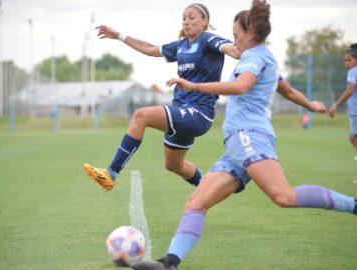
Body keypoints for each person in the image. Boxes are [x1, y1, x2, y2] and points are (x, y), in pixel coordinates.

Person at [131, 1, 357, 269]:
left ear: (250, 33)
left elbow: (240, 86)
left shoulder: (255, 58)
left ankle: (353, 205)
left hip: (250, 137)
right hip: (237, 146)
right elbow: (287, 90)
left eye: (236, 33)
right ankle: (169, 263)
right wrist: (311, 105)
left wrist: (193, 85)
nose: (234, 38)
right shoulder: (264, 58)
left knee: (283, 196)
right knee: (196, 201)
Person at [83, 3, 240, 191]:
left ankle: (111, 173)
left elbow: (233, 50)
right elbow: (150, 49)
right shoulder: (181, 45)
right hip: (182, 110)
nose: (186, 22)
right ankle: (210, 188)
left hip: (199, 113)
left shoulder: (208, 39)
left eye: (191, 17)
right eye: (184, 18)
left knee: (141, 115)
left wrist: (243, 47)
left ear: (204, 21)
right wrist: (118, 36)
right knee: (173, 165)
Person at [328, 43, 357, 151]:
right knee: (352, 137)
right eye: (345, 61)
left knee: (354, 138)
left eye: (349, 60)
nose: (346, 63)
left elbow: (350, 90)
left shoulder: (352, 72)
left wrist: (335, 106)